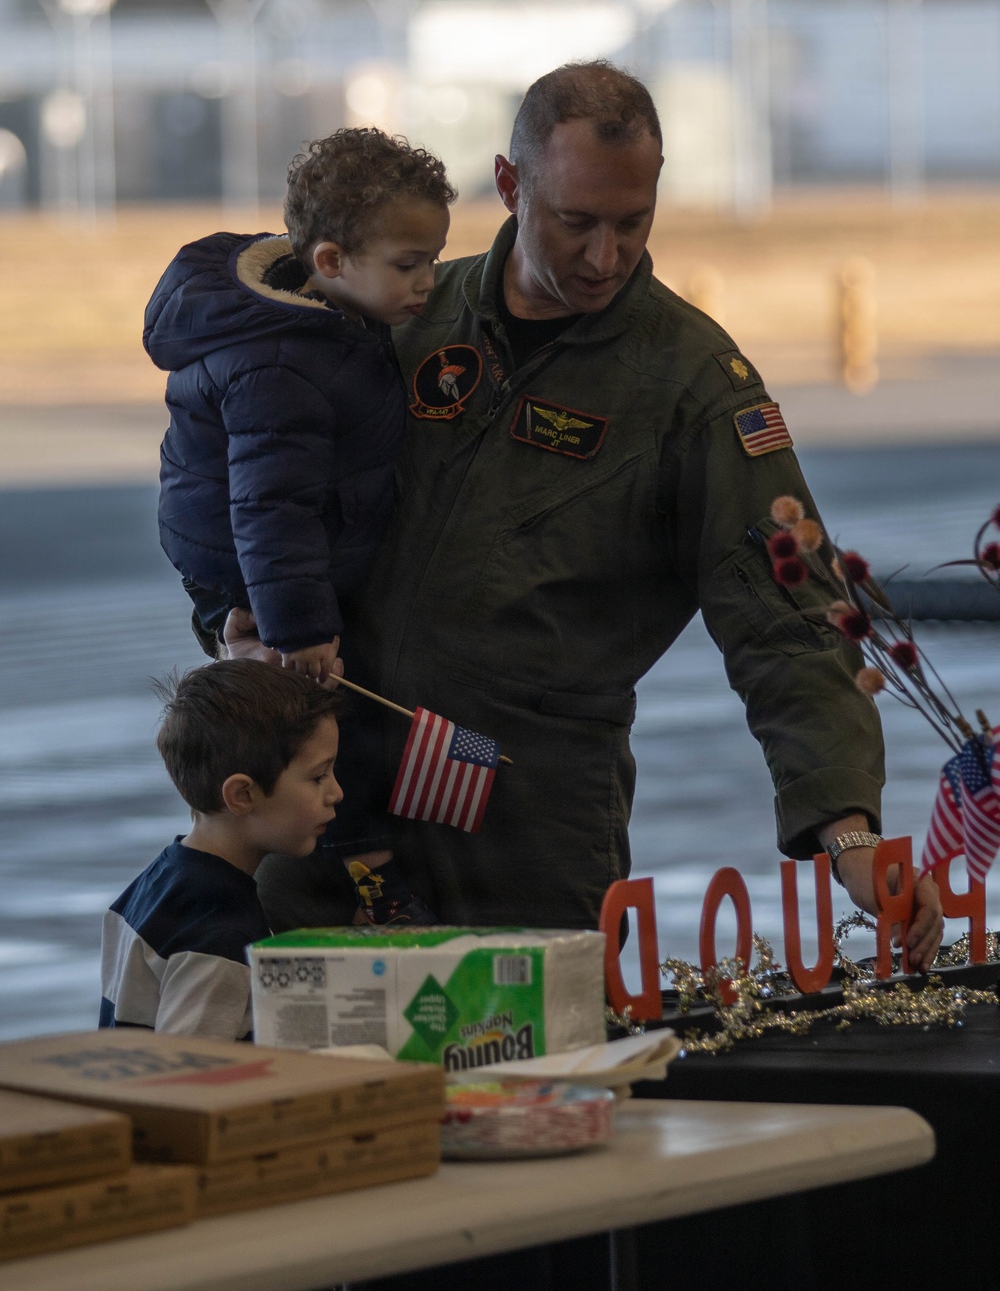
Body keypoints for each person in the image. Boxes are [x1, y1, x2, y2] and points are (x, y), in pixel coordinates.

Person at [232, 61, 943, 970]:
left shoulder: (689, 385)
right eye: (576, 222)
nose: (606, 257)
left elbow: (789, 617)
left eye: (632, 222)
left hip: (529, 826)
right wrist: (238, 623)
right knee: (314, 1088)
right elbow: (250, 485)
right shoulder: (396, 317)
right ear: (509, 186)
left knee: (540, 1093)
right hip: (326, 804)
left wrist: (850, 833)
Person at [143, 127, 455, 924]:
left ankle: (365, 862)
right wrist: (299, 626)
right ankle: (368, 882)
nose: (427, 283)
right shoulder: (283, 361)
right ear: (327, 262)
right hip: (250, 572)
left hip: (275, 559)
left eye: (433, 260)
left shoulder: (324, 318)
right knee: (322, 724)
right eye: (408, 265)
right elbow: (269, 504)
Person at [99, 659, 343, 1039]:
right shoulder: (219, 935)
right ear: (242, 794)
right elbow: (193, 1080)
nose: (336, 793)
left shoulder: (158, 881)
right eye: (319, 776)